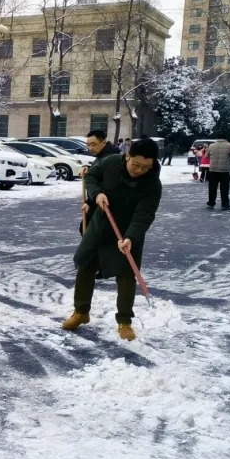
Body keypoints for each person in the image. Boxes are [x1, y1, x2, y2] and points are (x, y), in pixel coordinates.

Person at [62, 139, 162, 342]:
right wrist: (97, 194)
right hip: (101, 223)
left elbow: (145, 214)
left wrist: (131, 237)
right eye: (136, 164)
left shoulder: (152, 184)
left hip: (128, 229)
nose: (139, 170)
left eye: (146, 167)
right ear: (127, 156)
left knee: (126, 274)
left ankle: (124, 321)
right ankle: (81, 312)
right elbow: (91, 176)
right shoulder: (110, 163)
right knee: (86, 265)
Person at [205, 137, 230, 210]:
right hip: (225, 170)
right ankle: (225, 205)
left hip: (213, 169)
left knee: (212, 188)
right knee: (224, 188)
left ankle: (211, 203)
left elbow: (206, 156)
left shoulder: (211, 146)